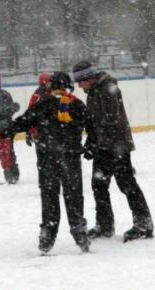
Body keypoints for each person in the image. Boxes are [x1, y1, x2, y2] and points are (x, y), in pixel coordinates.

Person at [1, 71, 93, 254]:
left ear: (51, 86)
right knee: (74, 195)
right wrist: (89, 147)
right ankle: (79, 232)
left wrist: (7, 131)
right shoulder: (77, 104)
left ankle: (47, 235)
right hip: (70, 157)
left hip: (47, 157)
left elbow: (24, 121)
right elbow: (92, 128)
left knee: (49, 196)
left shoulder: (43, 105)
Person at [72, 60, 153, 242]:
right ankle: (105, 225)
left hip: (117, 146)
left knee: (126, 184)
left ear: (89, 77)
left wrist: (98, 144)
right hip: (104, 146)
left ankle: (144, 224)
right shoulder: (93, 92)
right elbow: (94, 123)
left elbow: (111, 120)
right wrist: (91, 142)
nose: (79, 85)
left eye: (81, 80)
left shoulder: (108, 89)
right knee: (99, 185)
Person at [26, 72, 52, 146]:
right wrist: (28, 132)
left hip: (50, 131)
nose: (51, 84)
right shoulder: (38, 95)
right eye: (49, 82)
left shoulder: (53, 93)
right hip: (41, 132)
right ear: (44, 83)